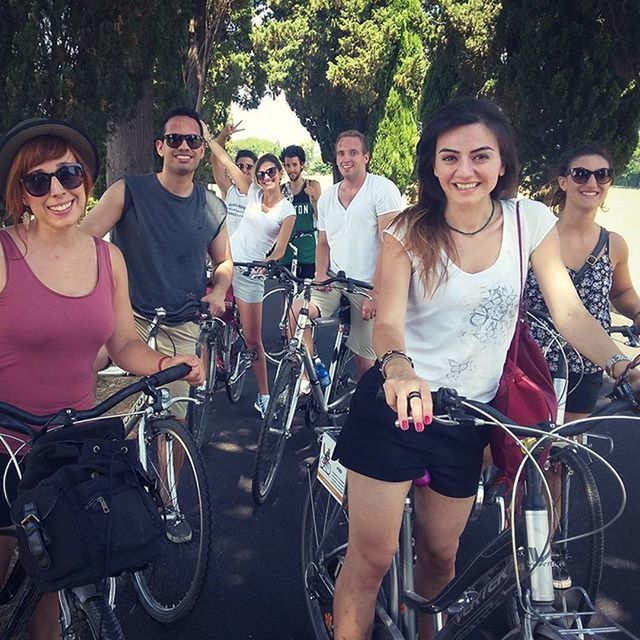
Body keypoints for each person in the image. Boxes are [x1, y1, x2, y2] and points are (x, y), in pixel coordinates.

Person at [329, 99, 640, 640]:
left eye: (480, 156)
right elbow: (388, 324)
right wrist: (399, 368)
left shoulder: (530, 221)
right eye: (449, 157)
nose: (464, 170)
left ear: (502, 165)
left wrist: (621, 364)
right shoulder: (407, 230)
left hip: (470, 417)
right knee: (370, 561)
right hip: (396, 409)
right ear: (432, 165)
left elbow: (569, 310)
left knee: (441, 561)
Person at [0, 118, 203, 640]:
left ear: (86, 179)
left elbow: (123, 345)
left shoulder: (107, 258)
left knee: (56, 576)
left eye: (68, 174)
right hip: (6, 450)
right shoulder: (3, 254)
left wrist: (165, 365)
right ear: (20, 194)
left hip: (72, 446)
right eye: (37, 180)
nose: (58, 190)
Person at [81, 107, 233, 421]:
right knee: (77, 374)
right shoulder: (128, 191)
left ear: (202, 151)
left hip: (181, 322)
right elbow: (81, 242)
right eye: (174, 138)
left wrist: (219, 290)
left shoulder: (212, 206)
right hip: (127, 314)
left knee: (174, 422)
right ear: (160, 146)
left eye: (193, 140)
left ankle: (167, 472)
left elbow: (224, 262)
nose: (184, 146)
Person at [526, 144, 640, 423]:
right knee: (522, 449)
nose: (592, 182)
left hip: (588, 362)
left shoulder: (613, 245)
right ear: (563, 182)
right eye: (580, 174)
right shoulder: (535, 237)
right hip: (531, 362)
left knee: (568, 448)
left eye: (602, 174)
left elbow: (622, 292)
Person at [293, 130, 403, 388]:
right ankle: (314, 369)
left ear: (366, 157)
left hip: (367, 286)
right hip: (335, 281)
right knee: (297, 313)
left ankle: (365, 414)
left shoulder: (382, 189)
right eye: (341, 153)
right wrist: (320, 274)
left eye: (353, 152)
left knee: (365, 363)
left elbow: (391, 246)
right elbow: (323, 242)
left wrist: (376, 293)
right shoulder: (328, 196)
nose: (346, 158)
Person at [207, 131, 296, 417]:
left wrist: (267, 261)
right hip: (227, 265)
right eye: (260, 174)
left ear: (280, 174)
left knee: (254, 340)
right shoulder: (251, 193)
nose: (265, 177)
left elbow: (280, 248)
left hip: (251, 274)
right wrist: (210, 138)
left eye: (271, 172)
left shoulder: (287, 210)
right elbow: (224, 162)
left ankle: (264, 394)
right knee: (205, 316)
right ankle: (212, 366)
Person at [278, 144, 321, 278]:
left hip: (308, 252)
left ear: (301, 165)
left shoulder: (312, 185)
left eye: (294, 165)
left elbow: (321, 217)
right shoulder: (281, 190)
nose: (291, 169)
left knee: (307, 295)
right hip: (286, 252)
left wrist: (314, 199)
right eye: (287, 165)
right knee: (286, 294)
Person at [210, 121, 257, 236]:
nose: (244, 170)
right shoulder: (229, 189)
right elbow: (216, 161)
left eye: (249, 167)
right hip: (225, 252)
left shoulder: (259, 194)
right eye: (240, 166)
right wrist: (223, 136)